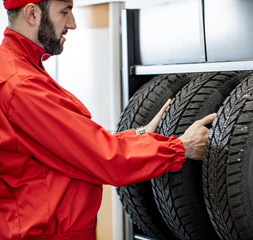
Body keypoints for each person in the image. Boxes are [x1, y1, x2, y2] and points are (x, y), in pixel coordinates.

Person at [0, 0, 216, 239]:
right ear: (32, 13)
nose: (72, 24)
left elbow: (71, 148)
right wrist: (180, 148)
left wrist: (140, 134)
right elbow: (101, 156)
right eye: (65, 11)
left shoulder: (19, 71)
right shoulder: (21, 85)